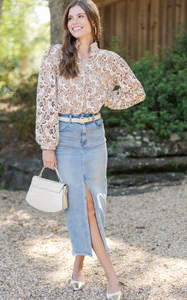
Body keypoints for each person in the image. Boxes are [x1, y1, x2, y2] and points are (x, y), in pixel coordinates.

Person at [35, 0, 145, 299]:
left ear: (93, 22)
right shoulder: (55, 55)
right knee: (82, 206)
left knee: (94, 205)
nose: (75, 22)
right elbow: (45, 101)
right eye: (70, 18)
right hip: (66, 137)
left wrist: (107, 98)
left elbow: (136, 92)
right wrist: (48, 144)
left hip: (95, 136)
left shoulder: (108, 60)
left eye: (81, 16)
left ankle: (77, 268)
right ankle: (112, 278)